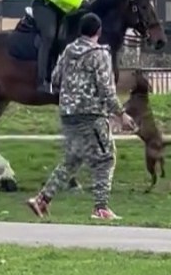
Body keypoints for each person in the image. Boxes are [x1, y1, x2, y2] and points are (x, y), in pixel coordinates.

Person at [26, 12, 135, 221]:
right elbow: (106, 89)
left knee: (72, 160)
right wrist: (121, 115)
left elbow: (56, 79)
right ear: (99, 31)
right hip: (91, 114)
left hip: (68, 114)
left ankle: (41, 200)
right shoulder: (99, 54)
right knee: (105, 158)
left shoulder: (68, 51)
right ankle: (101, 208)